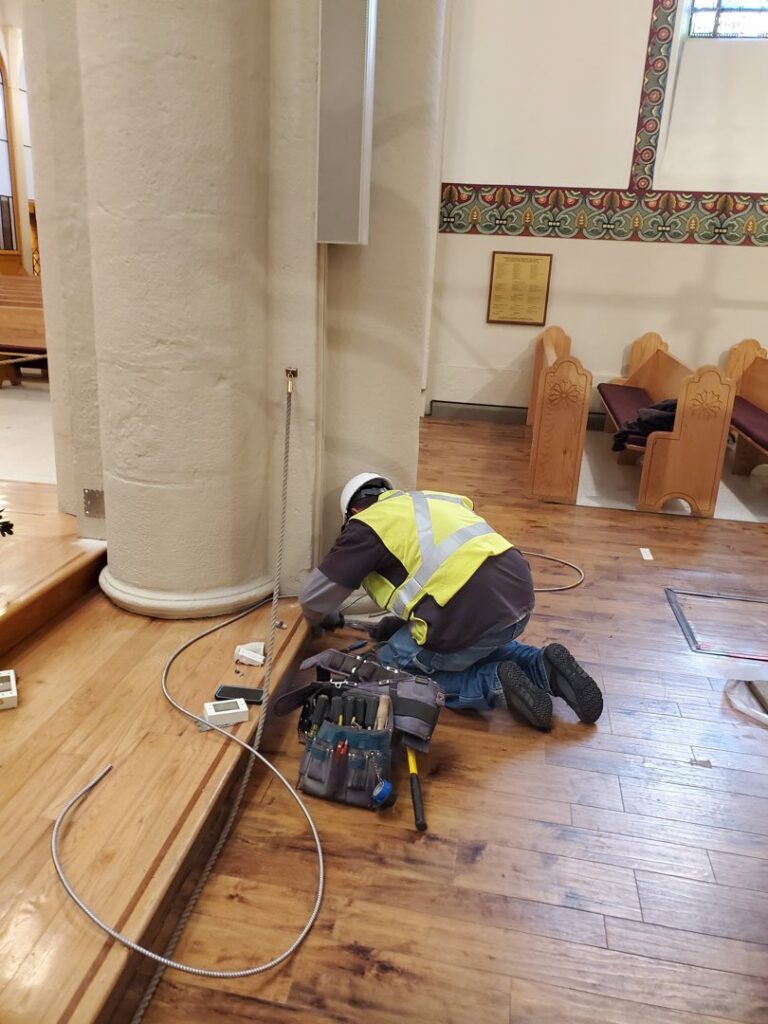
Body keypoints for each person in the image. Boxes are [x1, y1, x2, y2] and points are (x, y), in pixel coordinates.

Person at [299, 473, 603, 730]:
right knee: (477, 640)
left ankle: (493, 682)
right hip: (518, 598)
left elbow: (313, 600)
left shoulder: (366, 526)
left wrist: (320, 618)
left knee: (393, 665)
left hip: (465, 615)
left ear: (353, 510)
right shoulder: (431, 500)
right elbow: (437, 572)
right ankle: (542, 666)